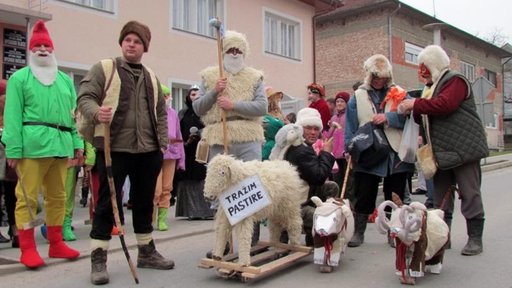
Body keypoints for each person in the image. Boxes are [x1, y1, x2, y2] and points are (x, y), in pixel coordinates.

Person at [77, 20, 174, 285]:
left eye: (137, 41)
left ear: (145, 47)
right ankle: (99, 258)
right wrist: (97, 112)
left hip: (148, 150)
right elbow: (84, 97)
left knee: (144, 202)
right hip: (113, 149)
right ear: (122, 43)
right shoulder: (104, 68)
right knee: (108, 204)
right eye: (128, 40)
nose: (131, 44)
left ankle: (146, 252)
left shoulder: (152, 77)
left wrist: (162, 142)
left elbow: (160, 114)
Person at [1, 20, 82, 268]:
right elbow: (12, 115)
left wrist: (77, 142)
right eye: (38, 46)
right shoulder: (19, 78)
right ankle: (27, 248)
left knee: (58, 196)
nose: (43, 49)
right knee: (27, 198)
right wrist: (13, 148)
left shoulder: (64, 80)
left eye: (47, 45)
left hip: (61, 145)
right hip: (31, 147)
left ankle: (56, 243)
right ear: (31, 50)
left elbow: (73, 114)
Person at [399, 45, 488, 256]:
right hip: (440, 152)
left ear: (434, 65)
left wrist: (414, 104)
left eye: (425, 67)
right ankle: (442, 238)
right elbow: (428, 114)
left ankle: (475, 238)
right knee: (441, 199)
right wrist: (411, 112)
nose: (422, 73)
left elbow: (445, 105)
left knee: (470, 194)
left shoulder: (455, 80)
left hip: (463, 149)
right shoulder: (431, 88)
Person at [192, 30, 267, 257]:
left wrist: (233, 104)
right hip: (218, 135)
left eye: (238, 50)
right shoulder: (209, 75)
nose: (234, 54)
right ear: (223, 51)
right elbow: (198, 109)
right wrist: (215, 91)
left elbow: (262, 107)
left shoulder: (255, 77)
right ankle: (222, 241)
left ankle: (250, 237)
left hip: (247, 135)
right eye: (230, 50)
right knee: (220, 188)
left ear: (244, 52)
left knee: (250, 185)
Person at [344, 54, 414, 248]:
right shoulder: (357, 96)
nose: (378, 81)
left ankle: (394, 232)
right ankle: (359, 232)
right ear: (369, 76)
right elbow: (350, 125)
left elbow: (411, 118)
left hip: (395, 151)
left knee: (395, 194)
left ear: (388, 76)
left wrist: (389, 118)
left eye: (381, 77)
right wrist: (349, 149)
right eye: (375, 77)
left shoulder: (400, 93)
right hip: (368, 149)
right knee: (364, 191)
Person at [283, 108, 338, 246]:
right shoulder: (301, 150)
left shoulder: (298, 145)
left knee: (331, 187)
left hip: (297, 196)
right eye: (308, 128)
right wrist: (326, 153)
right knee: (326, 214)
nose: (313, 132)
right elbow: (318, 178)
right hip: (296, 204)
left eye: (316, 128)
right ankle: (315, 231)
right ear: (300, 129)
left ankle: (312, 236)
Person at [175, 86, 215, 220]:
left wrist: (199, 134)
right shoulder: (182, 113)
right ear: (188, 97)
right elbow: (177, 129)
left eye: (198, 95)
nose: (195, 97)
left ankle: (206, 211)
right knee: (187, 178)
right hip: (187, 150)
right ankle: (189, 211)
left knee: (202, 177)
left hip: (203, 149)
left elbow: (211, 127)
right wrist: (184, 140)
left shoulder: (206, 112)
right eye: (193, 95)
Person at [153, 84, 184, 231]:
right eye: (164, 96)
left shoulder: (173, 114)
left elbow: (178, 135)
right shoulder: (152, 113)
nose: (167, 99)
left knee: (167, 187)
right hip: (156, 153)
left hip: (171, 153)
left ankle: (162, 219)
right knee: (156, 189)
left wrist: (181, 158)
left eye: (168, 96)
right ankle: (150, 218)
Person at [324, 92, 350, 194]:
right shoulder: (334, 117)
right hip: (335, 154)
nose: (339, 103)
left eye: (342, 101)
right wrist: (332, 127)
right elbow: (329, 135)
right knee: (337, 179)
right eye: (337, 101)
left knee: (348, 181)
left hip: (346, 153)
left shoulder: (349, 116)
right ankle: (338, 199)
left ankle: (349, 201)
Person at [262, 87, 284, 160]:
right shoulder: (263, 115)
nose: (278, 100)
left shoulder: (278, 112)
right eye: (275, 98)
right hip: (268, 144)